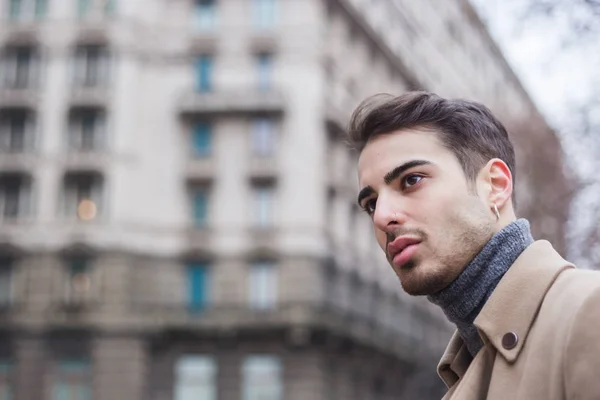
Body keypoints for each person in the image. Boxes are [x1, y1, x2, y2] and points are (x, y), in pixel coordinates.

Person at [347, 91, 600, 399]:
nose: (382, 217)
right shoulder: (464, 368)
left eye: (411, 180)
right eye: (372, 204)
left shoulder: (588, 311)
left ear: (495, 186)